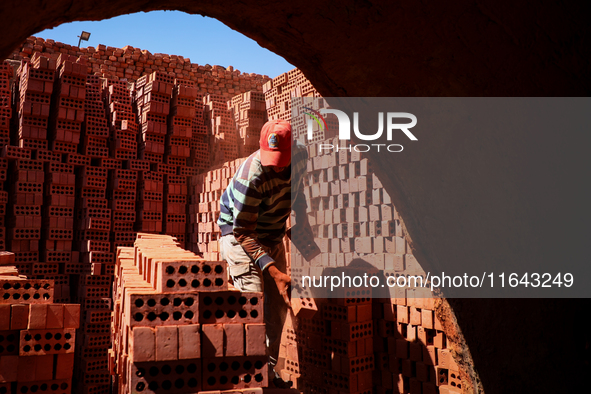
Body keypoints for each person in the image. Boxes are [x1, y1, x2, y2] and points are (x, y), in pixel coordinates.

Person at [217, 119, 308, 388]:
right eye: (272, 159)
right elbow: (243, 233)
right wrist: (276, 272)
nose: (278, 165)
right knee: (253, 305)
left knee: (278, 306)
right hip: (239, 236)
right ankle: (248, 376)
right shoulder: (252, 175)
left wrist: (301, 227)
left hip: (271, 233)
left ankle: (267, 370)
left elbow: (298, 190)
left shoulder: (301, 156)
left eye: (283, 158)